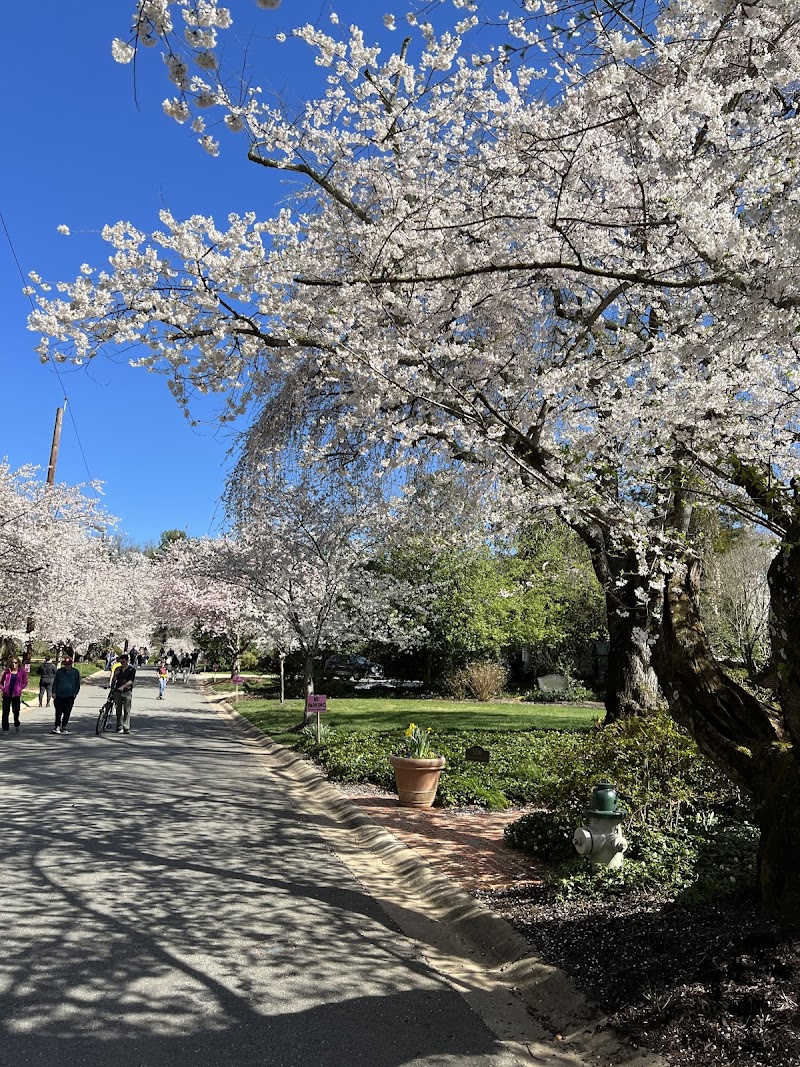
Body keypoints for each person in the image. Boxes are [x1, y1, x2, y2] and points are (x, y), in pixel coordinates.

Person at [51, 654, 81, 734]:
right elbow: (55, 683)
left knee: (67, 712)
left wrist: (75, 693)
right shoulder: (59, 671)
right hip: (59, 695)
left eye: (68, 664)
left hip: (70, 696)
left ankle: (64, 726)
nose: (67, 666)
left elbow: (77, 684)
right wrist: (53, 692)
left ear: (71, 664)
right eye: (66, 664)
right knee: (58, 712)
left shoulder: (75, 672)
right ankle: (57, 726)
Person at [1, 656, 29, 733]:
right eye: (12, 662)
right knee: (5, 712)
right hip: (7, 694)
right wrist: (3, 689)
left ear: (18, 663)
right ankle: (5, 729)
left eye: (15, 663)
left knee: (16, 711)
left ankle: (17, 723)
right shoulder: (7, 672)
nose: (14, 664)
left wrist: (20, 688)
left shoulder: (21, 672)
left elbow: (25, 682)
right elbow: (1, 682)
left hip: (16, 695)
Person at [110, 652, 136, 733]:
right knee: (118, 709)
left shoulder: (131, 670)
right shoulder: (118, 669)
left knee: (126, 709)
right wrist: (115, 675)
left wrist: (123, 686)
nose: (122, 663)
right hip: (117, 691)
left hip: (127, 691)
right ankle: (119, 725)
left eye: (124, 661)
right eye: (121, 662)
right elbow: (114, 680)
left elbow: (131, 680)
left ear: (127, 661)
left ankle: (126, 726)